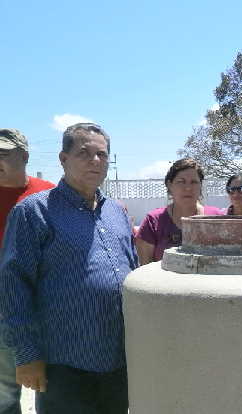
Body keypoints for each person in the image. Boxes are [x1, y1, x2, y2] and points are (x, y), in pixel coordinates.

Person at [0, 123, 138, 413]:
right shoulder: (33, 212)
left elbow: (132, 271)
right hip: (63, 364)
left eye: (102, 154)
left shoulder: (117, 213)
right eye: (84, 153)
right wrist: (27, 354)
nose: (95, 161)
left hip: (117, 360)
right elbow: (14, 283)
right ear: (63, 159)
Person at [0, 129, 54, 414]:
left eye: (3, 154)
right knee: (5, 392)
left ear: (25, 156)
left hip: (47, 305)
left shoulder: (49, 193)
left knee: (52, 384)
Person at [135, 158, 223, 265]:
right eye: (181, 182)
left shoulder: (216, 218)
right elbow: (145, 268)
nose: (188, 188)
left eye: (194, 182)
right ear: (169, 185)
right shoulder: (153, 221)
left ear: (200, 186)